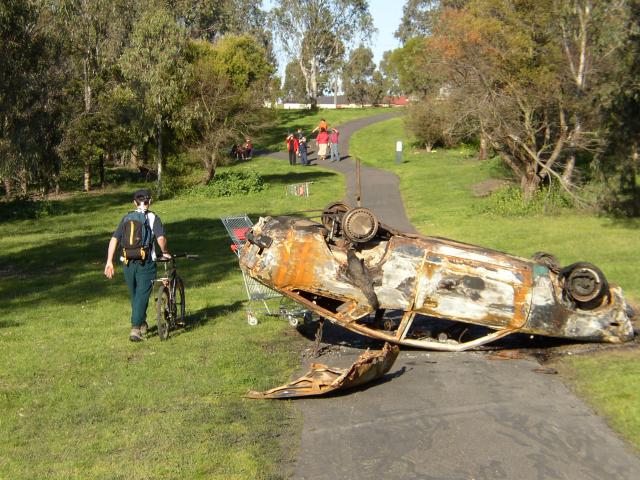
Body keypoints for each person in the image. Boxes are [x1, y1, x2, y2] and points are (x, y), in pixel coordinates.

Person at [104, 189, 170, 342]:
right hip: (145, 262)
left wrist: (109, 261)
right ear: (150, 201)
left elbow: (114, 239)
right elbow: (160, 239)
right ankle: (135, 328)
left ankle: (141, 322)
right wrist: (165, 251)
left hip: (127, 262)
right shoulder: (153, 217)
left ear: (134, 202)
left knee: (135, 295)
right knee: (141, 294)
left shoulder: (126, 218)